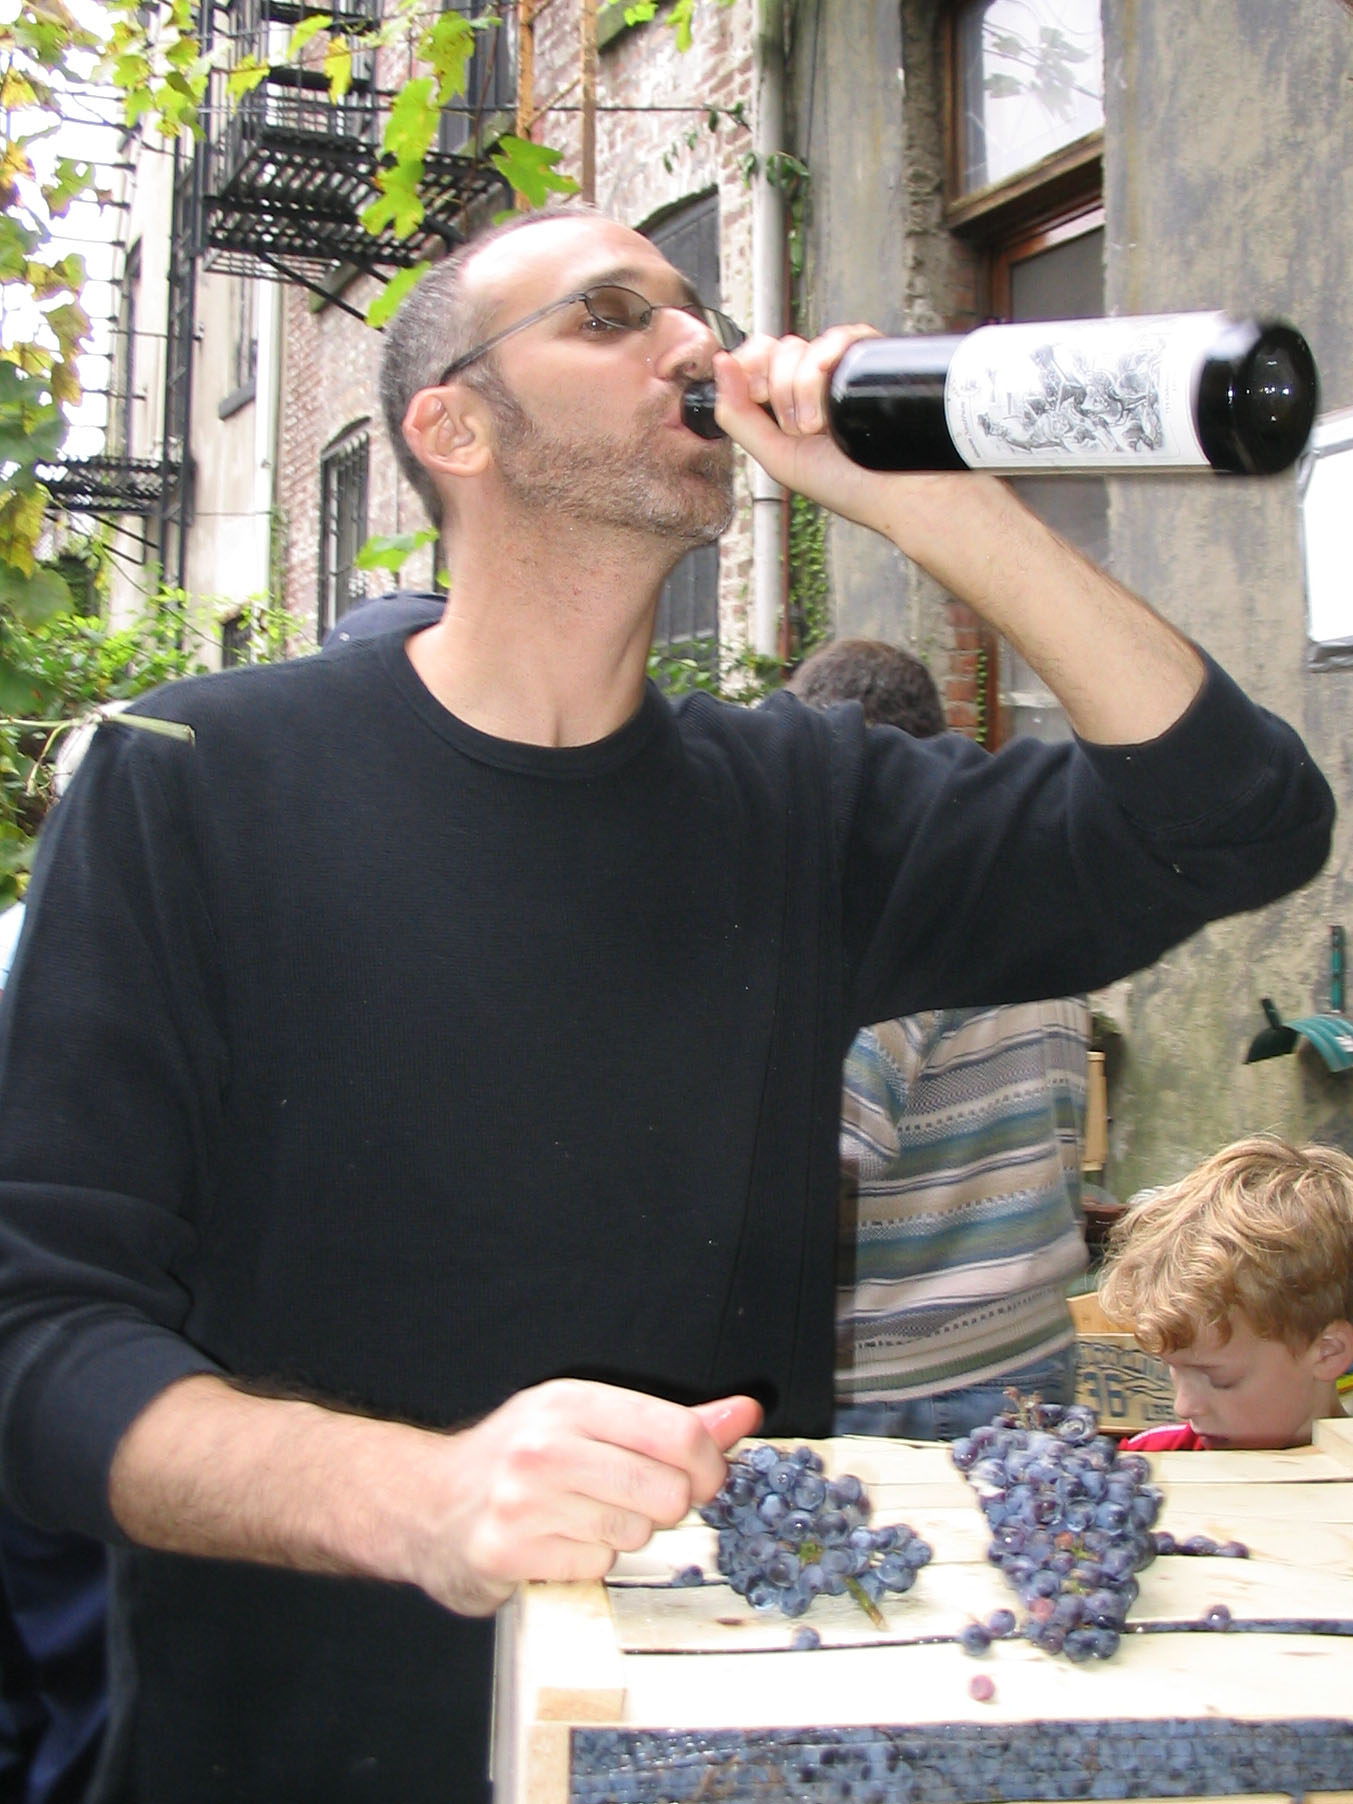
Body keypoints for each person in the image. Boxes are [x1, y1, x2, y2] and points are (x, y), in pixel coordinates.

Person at [0, 201, 1335, 1803]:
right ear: (454, 427)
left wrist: (938, 504)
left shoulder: (800, 803)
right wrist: (428, 1500)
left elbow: (1239, 822)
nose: (694, 343)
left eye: (695, 308)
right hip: (280, 1745)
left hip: (702, 1728)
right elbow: (37, 1340)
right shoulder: (192, 779)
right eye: (610, 313)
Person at [789, 639, 1090, 1439]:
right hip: (1030, 1356)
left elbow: (819, 1157)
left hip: (906, 1386)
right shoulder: (1030, 889)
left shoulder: (889, 904)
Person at [1097, 1135, 1353, 1451]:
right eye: (1173, 1369)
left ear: (1328, 1352)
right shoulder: (1152, 1461)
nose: (1183, 1407)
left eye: (1219, 1379)